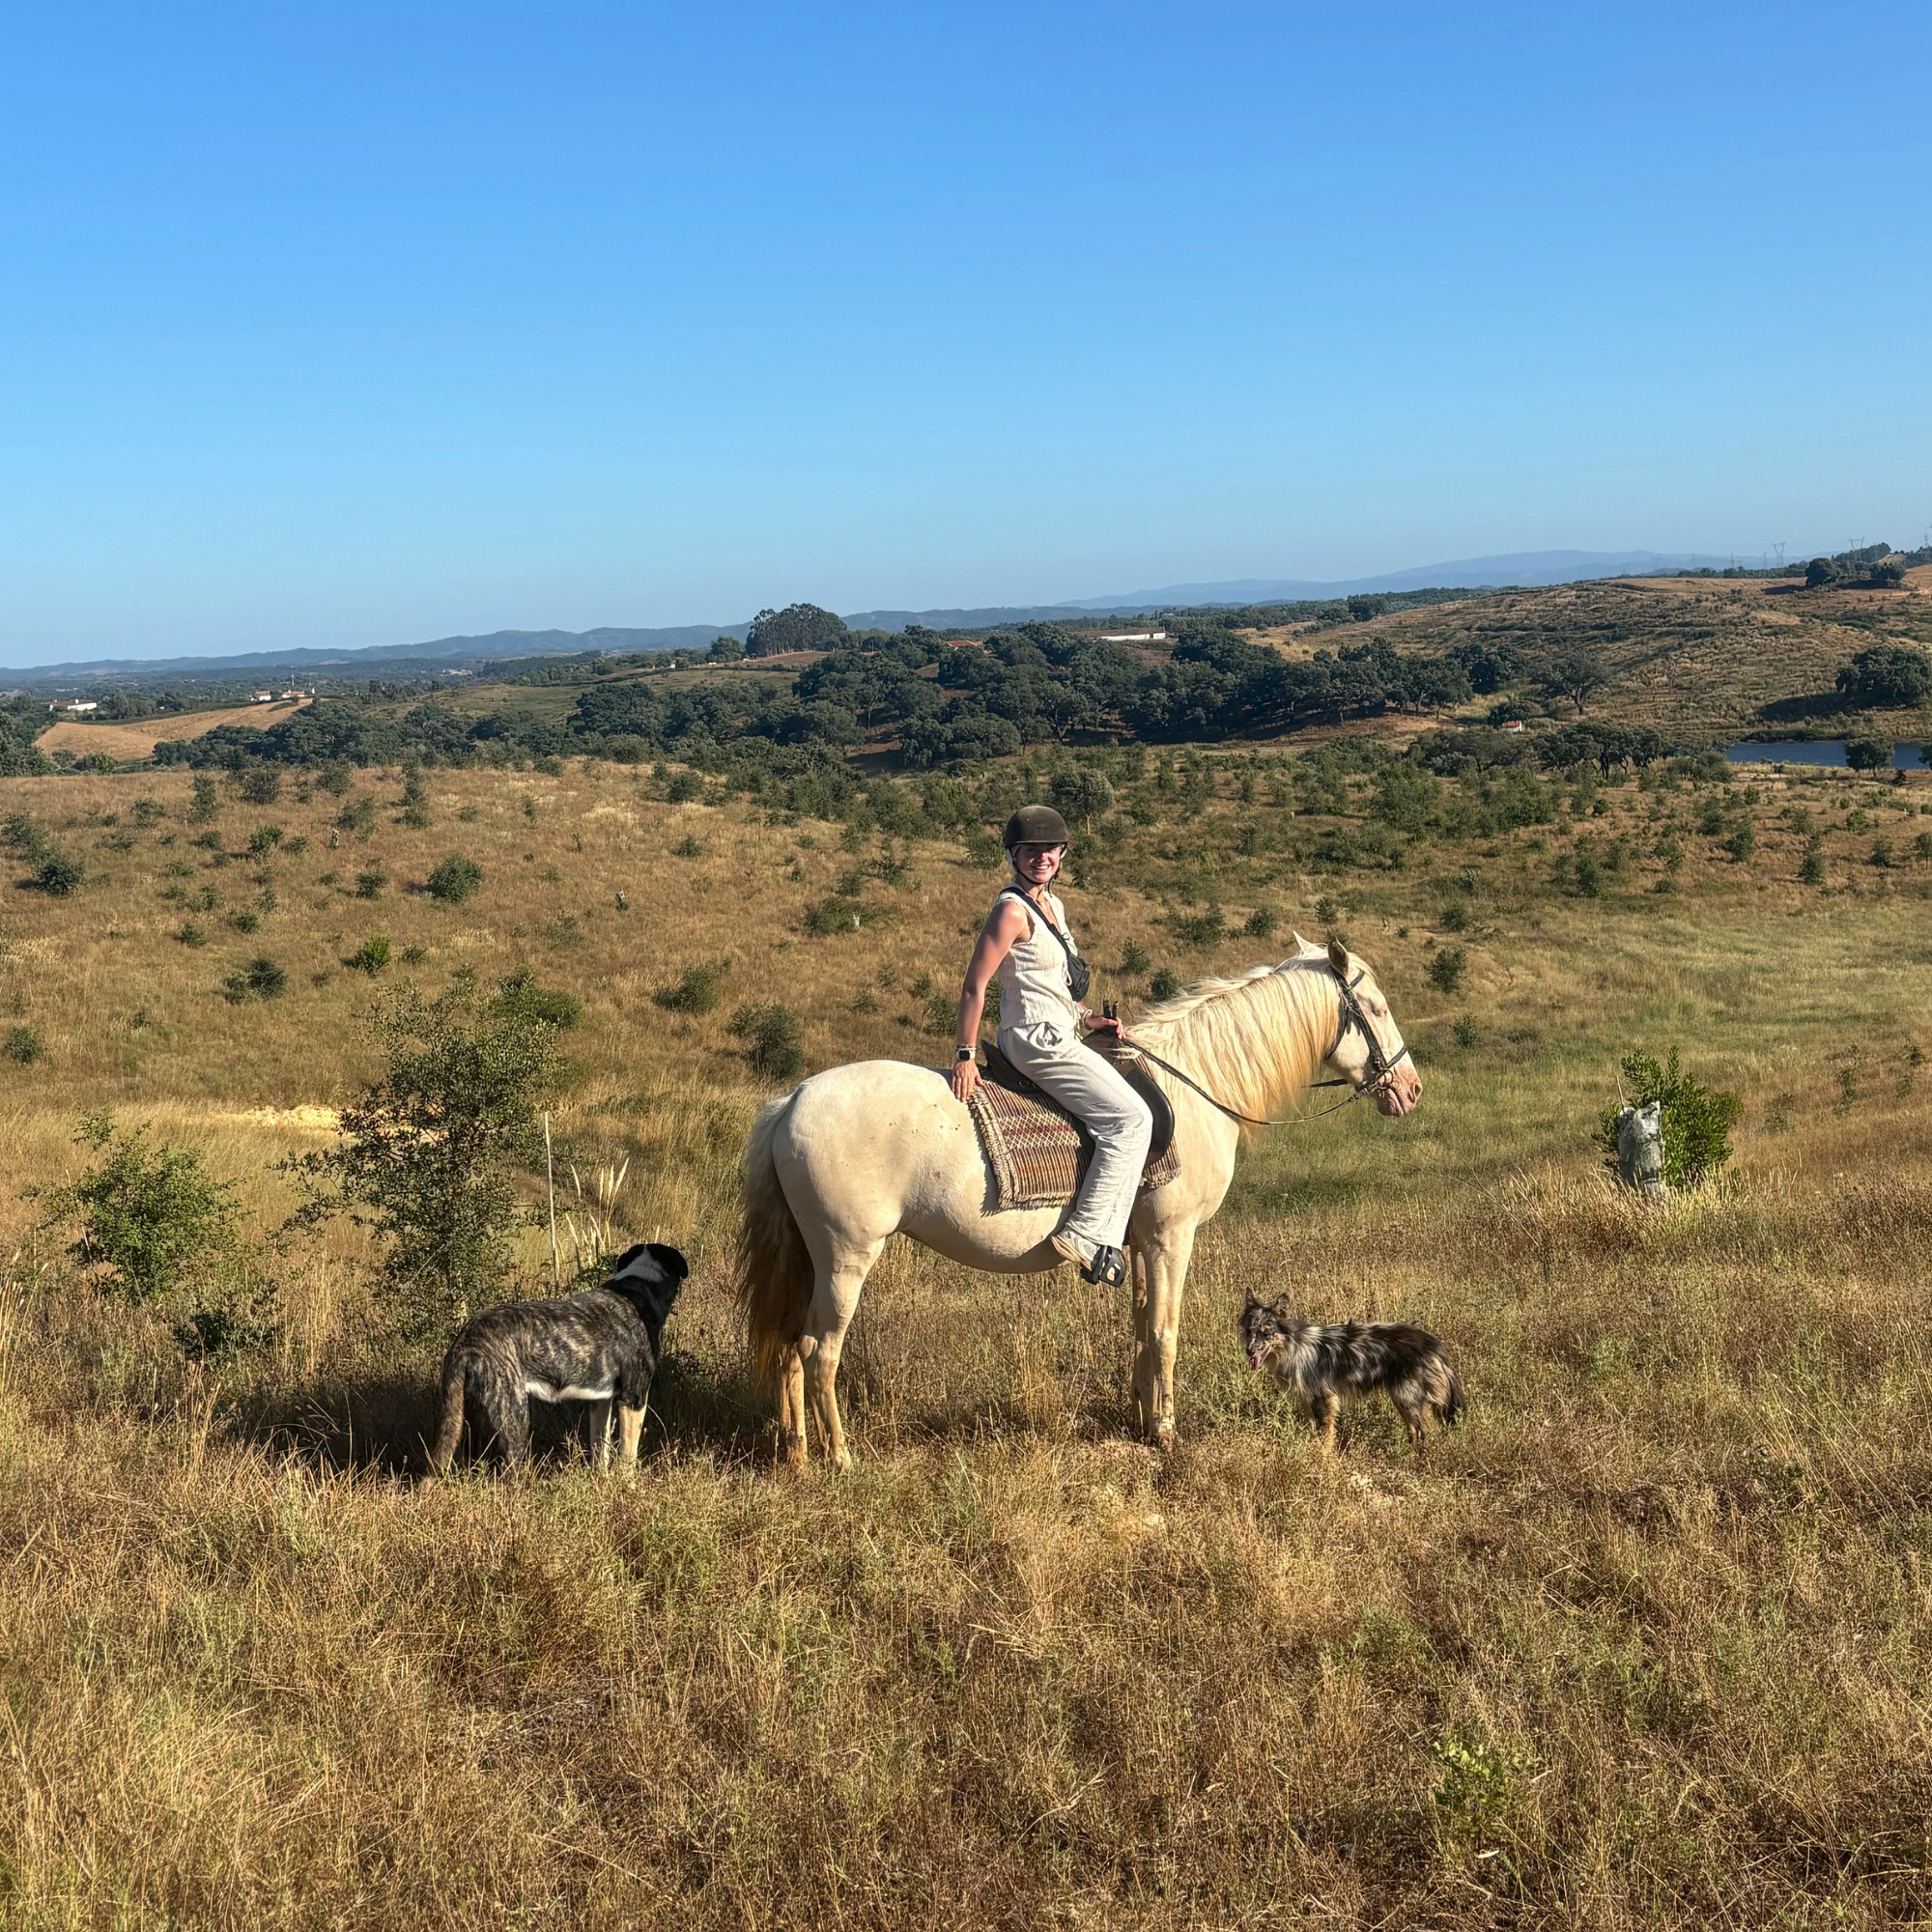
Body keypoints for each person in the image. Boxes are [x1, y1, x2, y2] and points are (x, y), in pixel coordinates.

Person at [951, 804, 1152, 1289]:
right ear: (1013, 856)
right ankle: (1086, 1235)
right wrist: (964, 1054)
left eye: (1050, 849)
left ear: (1061, 854)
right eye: (1031, 850)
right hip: (1035, 1039)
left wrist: (1088, 1017)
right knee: (1131, 1120)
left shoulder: (1053, 907)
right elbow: (974, 986)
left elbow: (1053, 986)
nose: (1042, 857)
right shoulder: (1011, 910)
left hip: (1060, 1028)